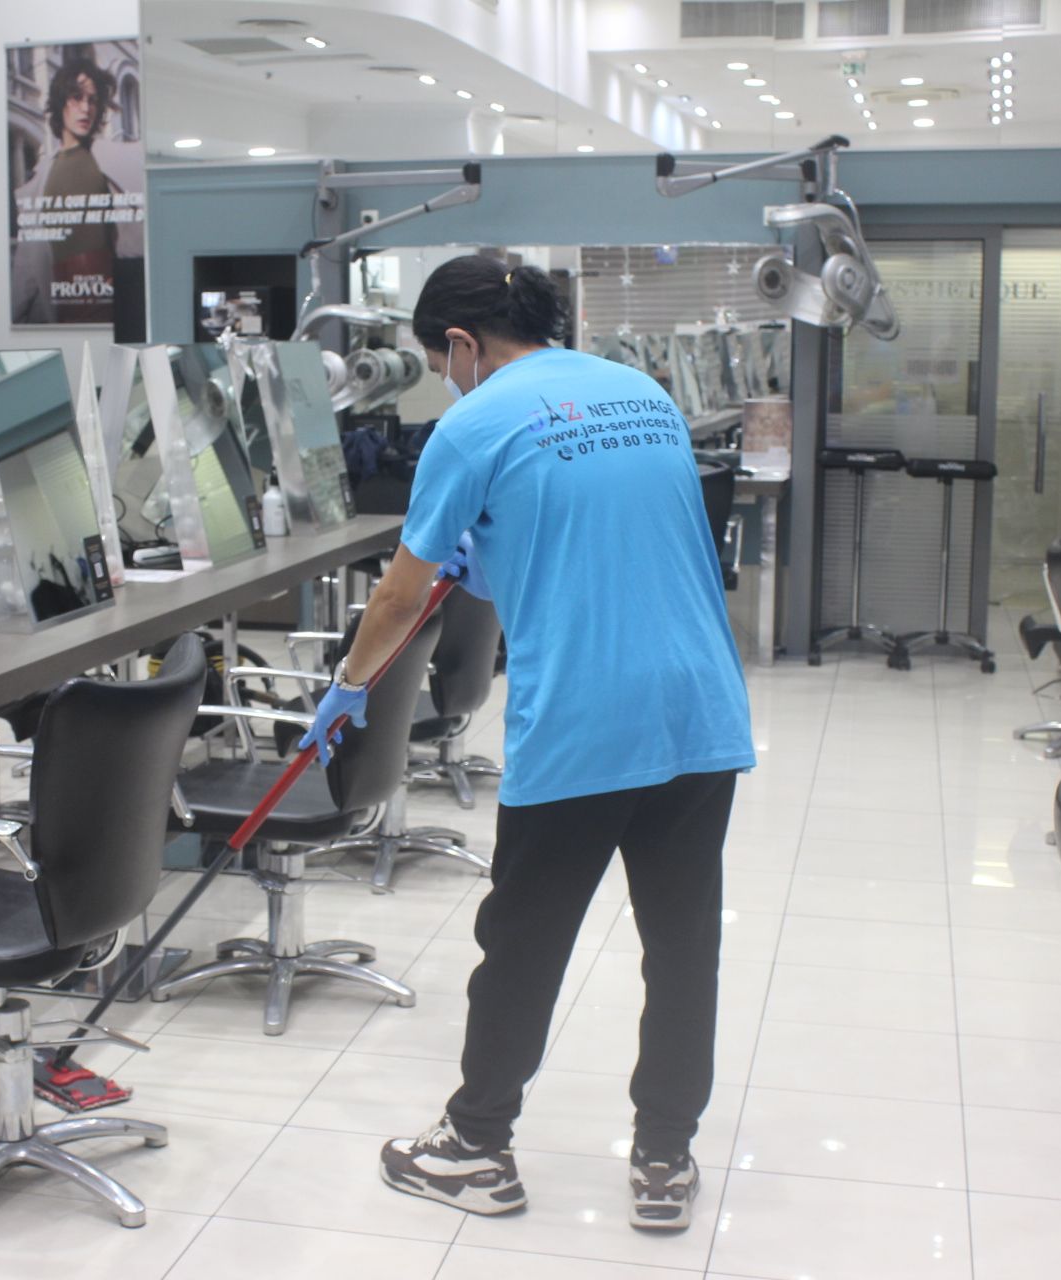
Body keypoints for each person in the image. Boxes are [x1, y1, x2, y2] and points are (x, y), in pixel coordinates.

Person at [299, 256, 754, 1232]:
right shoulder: (642, 393)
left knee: (523, 943)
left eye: (440, 362)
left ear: (464, 345)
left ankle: (475, 1147)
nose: (446, 381)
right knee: (683, 946)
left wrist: (347, 688)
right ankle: (666, 1160)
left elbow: (399, 593)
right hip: (702, 710)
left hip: (588, 716)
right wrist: (487, 549)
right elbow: (588, 541)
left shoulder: (474, 419)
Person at [10, 52, 121, 325]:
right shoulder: (40, 178)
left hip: (106, 301)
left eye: (93, 100)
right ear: (62, 102)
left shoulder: (108, 161)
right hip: (59, 304)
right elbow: (27, 264)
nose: (86, 108)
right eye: (77, 97)